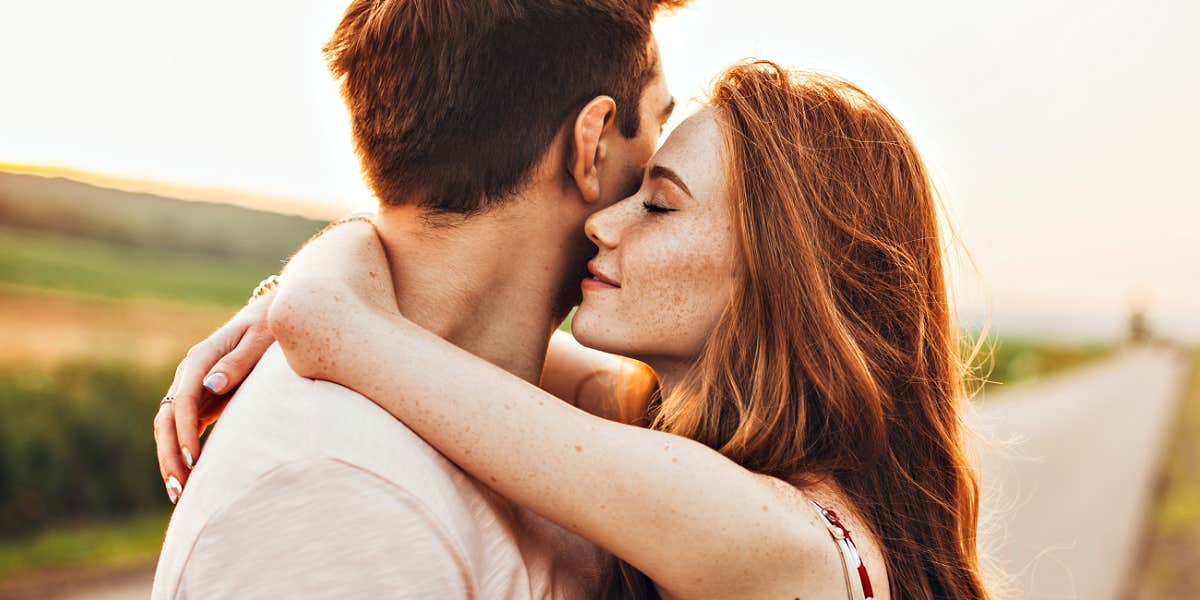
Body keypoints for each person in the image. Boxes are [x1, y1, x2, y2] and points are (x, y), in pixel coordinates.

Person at [160, 61, 995, 598]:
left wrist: (297, 300)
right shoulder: (660, 431)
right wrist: (309, 282)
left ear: (784, 279)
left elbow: (346, 330)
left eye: (660, 205)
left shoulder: (774, 536)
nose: (605, 223)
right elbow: (440, 334)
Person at [150, 0, 684, 597]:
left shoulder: (542, 420)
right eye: (660, 125)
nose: (660, 166)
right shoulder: (335, 497)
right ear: (592, 144)